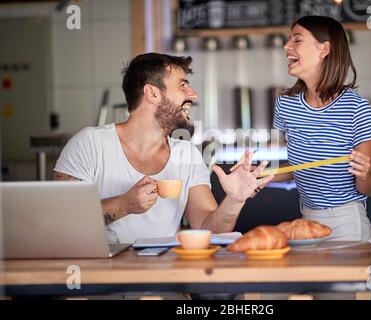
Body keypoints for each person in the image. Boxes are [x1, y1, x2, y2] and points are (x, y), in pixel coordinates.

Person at [54, 53, 273, 244]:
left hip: (165, 279)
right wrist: (125, 205)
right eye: (182, 85)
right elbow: (61, 222)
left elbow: (209, 231)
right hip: (99, 281)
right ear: (153, 93)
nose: (193, 95)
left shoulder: (186, 154)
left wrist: (234, 200)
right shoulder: (90, 144)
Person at [272, 16, 371, 241]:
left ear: (324, 49)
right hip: (305, 222)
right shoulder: (286, 105)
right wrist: (259, 175)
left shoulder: (356, 108)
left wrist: (364, 172)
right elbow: (298, 166)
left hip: (347, 223)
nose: (286, 46)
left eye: (297, 40)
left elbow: (368, 187)